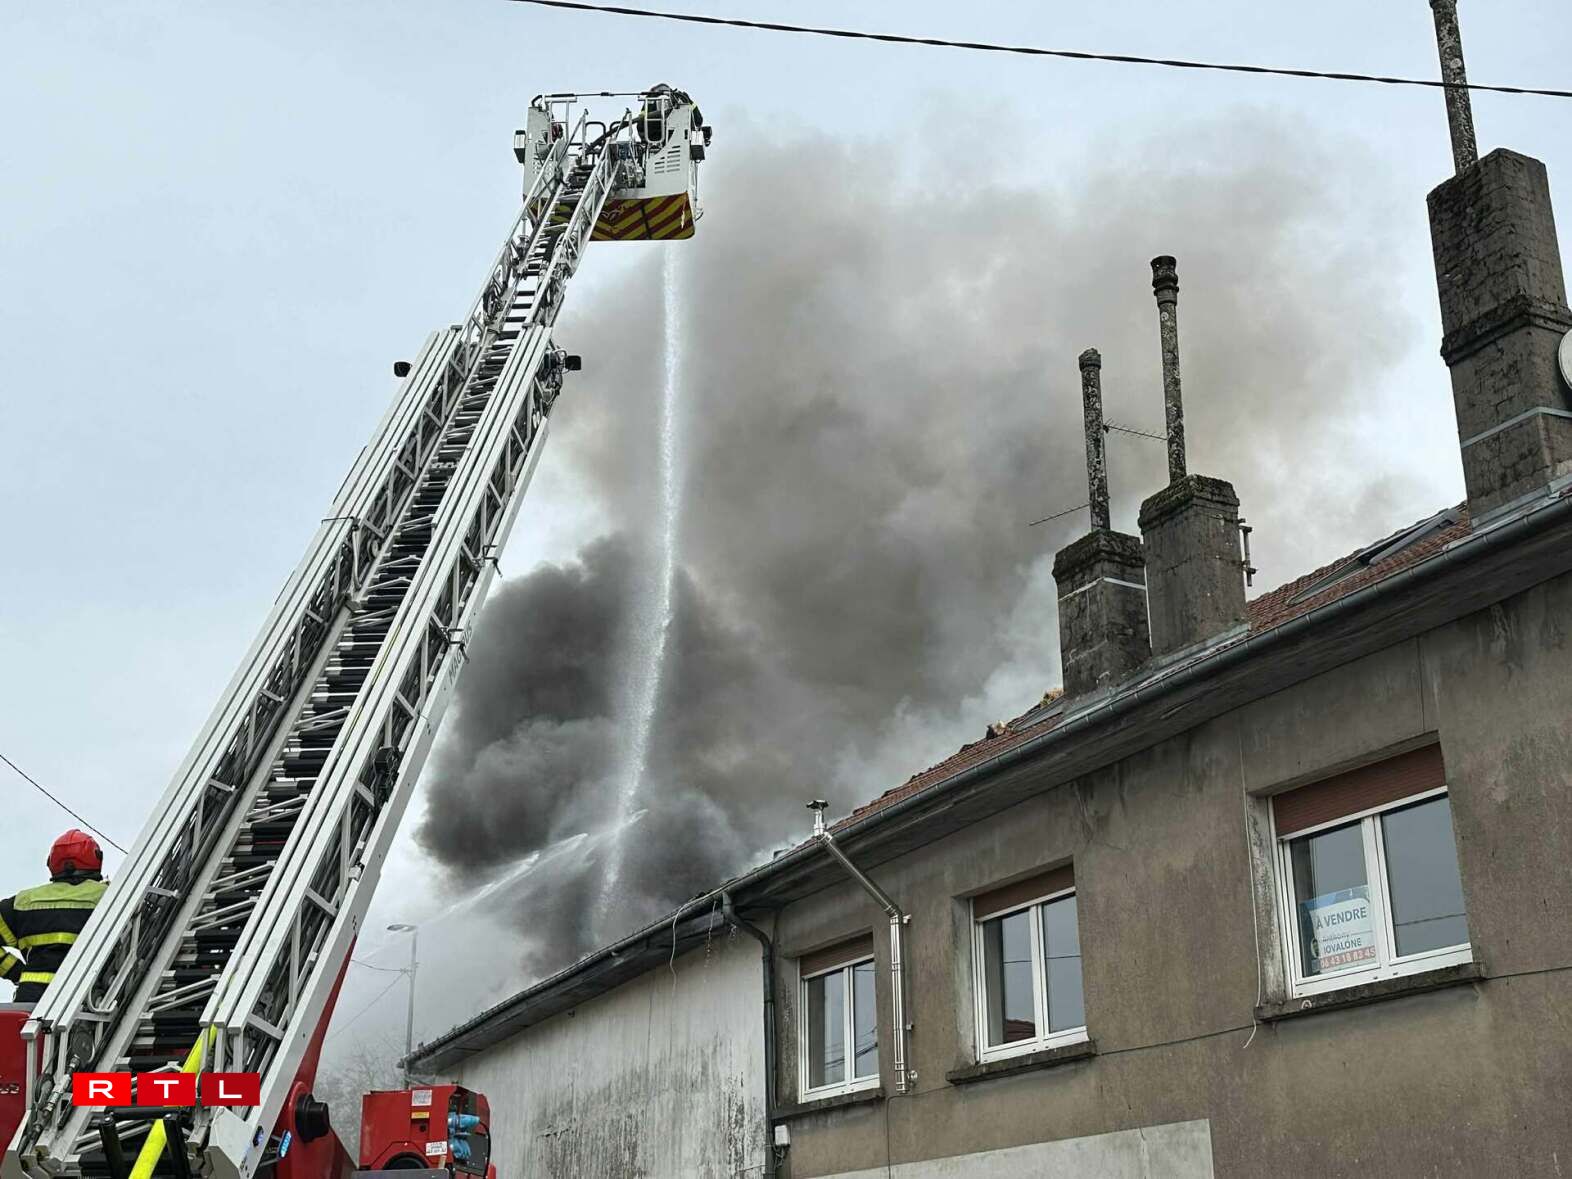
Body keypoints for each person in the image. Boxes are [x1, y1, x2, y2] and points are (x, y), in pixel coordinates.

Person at [0, 829, 109, 1004]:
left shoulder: (23, 901)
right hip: (89, 999)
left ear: (51, 862)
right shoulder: (111, 897)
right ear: (96, 858)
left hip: (31, 999)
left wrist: (16, 971)